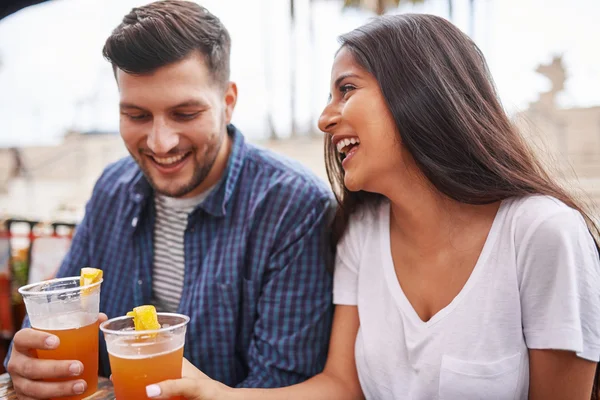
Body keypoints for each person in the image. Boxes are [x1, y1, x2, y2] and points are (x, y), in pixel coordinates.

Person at [144, 13, 600, 400]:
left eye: (346, 89)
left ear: (423, 94)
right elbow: (341, 387)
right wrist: (219, 394)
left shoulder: (544, 234)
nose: (325, 118)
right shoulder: (362, 232)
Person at [4, 1, 335, 398]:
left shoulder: (294, 206)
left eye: (185, 113)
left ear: (228, 102)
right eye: (138, 116)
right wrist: (30, 363)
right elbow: (59, 316)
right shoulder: (112, 188)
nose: (161, 143)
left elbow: (282, 383)